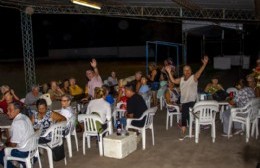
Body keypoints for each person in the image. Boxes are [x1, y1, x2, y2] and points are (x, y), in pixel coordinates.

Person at [165, 55, 209, 140]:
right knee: (185, 114)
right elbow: (173, 81)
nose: (187, 71)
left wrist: (204, 64)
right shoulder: (181, 79)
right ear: (183, 72)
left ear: (191, 71)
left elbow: (199, 73)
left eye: (188, 70)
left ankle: (186, 129)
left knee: (186, 114)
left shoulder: (193, 78)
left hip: (192, 101)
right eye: (185, 70)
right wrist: (169, 72)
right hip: (184, 101)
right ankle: (190, 128)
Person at [0, 102, 34, 168]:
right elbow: (14, 138)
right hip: (32, 148)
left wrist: (4, 147)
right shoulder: (24, 117)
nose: (7, 112)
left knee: (1, 154)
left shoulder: (17, 123)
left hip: (24, 152)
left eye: (10, 110)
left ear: (17, 110)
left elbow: (13, 145)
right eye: (7, 110)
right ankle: (25, 163)